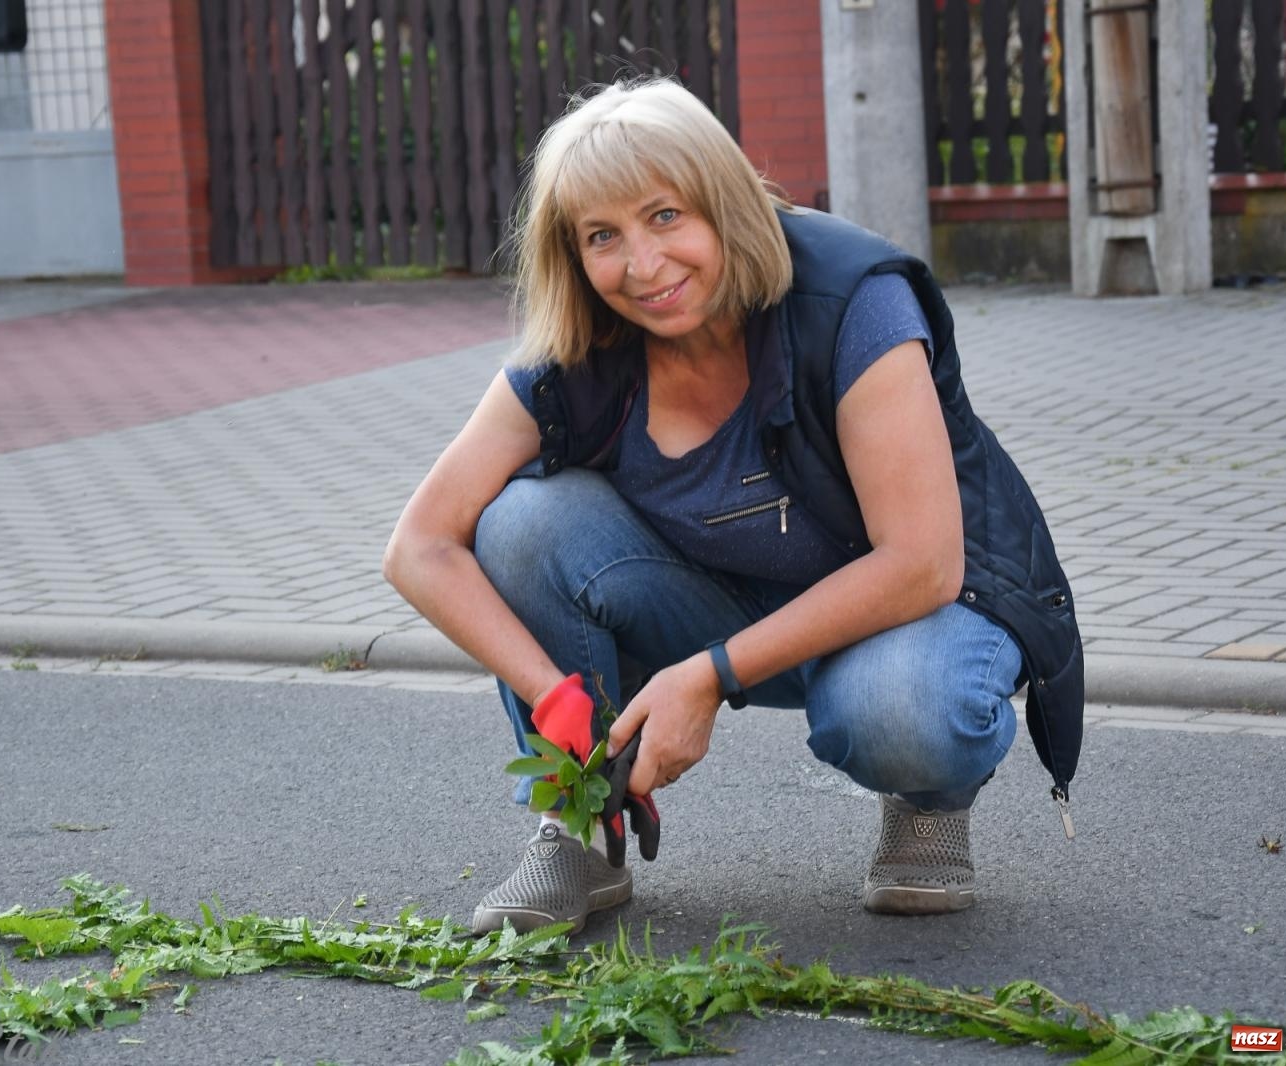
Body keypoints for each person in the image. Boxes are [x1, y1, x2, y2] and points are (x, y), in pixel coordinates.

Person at [384, 78, 1082, 934]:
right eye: (603, 236)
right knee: (518, 523)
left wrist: (707, 677)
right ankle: (581, 825)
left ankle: (928, 803)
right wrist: (556, 700)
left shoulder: (850, 301)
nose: (643, 265)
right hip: (719, 600)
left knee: (903, 711)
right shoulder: (580, 346)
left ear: (722, 202)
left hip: (912, 612)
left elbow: (923, 563)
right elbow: (419, 546)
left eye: (665, 216)